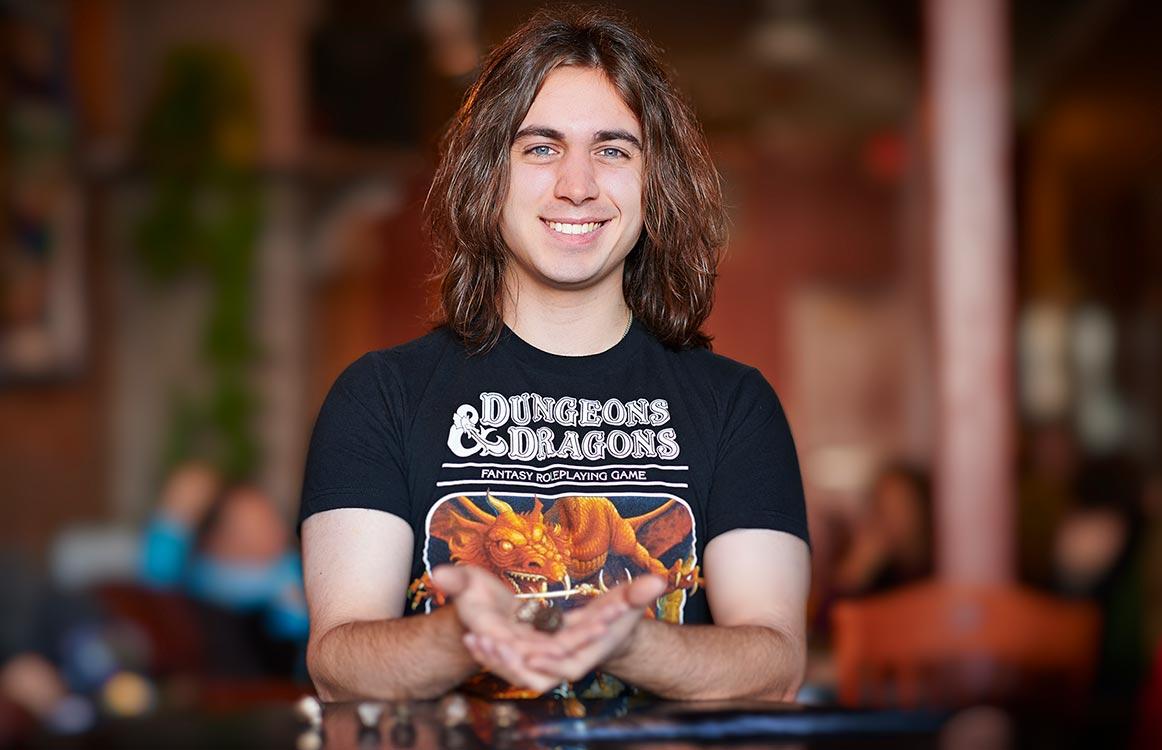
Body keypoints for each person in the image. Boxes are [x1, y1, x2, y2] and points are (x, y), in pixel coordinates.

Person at [299, 8, 810, 702]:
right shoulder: (380, 396)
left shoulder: (735, 406)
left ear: (654, 181)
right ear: (489, 176)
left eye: (613, 150)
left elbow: (776, 667)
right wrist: (458, 637)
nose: (577, 184)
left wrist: (632, 642)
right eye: (541, 148)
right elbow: (337, 667)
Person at [141, 463, 309, 677]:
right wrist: (174, 513)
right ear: (216, 542)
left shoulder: (293, 568)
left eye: (271, 518)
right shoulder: (207, 581)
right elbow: (157, 582)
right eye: (252, 525)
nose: (275, 530)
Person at [832, 464, 933, 597]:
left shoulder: (937, 567)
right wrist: (853, 573)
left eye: (900, 506)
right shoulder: (878, 570)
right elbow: (830, 607)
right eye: (882, 506)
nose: (890, 517)